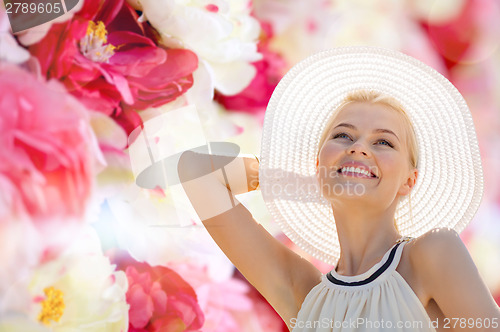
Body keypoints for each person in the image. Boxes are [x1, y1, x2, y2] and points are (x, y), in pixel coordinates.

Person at [177, 47, 500, 331]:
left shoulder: (433, 252)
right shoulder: (303, 296)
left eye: (383, 142)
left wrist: (345, 173)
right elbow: (196, 172)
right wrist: (324, 176)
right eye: (343, 136)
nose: (359, 147)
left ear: (409, 180)